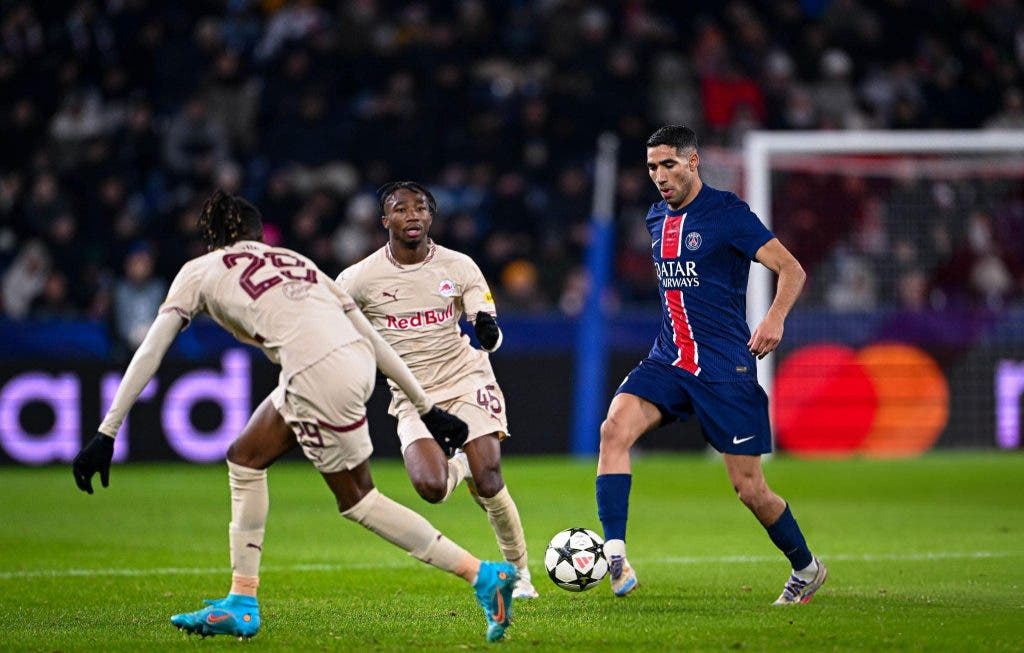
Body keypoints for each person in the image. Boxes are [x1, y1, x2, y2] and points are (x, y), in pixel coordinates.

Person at [71, 189, 517, 642]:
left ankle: (481, 575)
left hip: (315, 374)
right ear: (257, 234)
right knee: (245, 457)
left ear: (213, 238)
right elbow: (370, 337)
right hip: (349, 365)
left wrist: (107, 431)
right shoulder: (297, 263)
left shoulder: (200, 270)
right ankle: (241, 601)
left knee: (359, 501)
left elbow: (151, 348)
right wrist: (426, 407)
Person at [595, 125, 827, 604]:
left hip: (724, 369)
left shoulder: (728, 214)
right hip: (669, 358)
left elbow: (792, 269)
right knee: (613, 430)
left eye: (669, 165)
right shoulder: (656, 218)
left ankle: (806, 567)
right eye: (652, 167)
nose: (659, 176)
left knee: (750, 490)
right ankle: (615, 554)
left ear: (693, 161)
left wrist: (775, 319)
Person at [336, 181, 537, 600]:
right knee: (430, 488)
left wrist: (486, 330)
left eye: (421, 208)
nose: (412, 215)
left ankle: (519, 574)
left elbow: (489, 331)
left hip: (465, 377)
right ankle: (458, 464)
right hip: (412, 395)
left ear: (431, 216)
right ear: (384, 219)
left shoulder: (459, 266)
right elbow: (336, 327)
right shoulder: (359, 278)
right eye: (401, 209)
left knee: (489, 477)